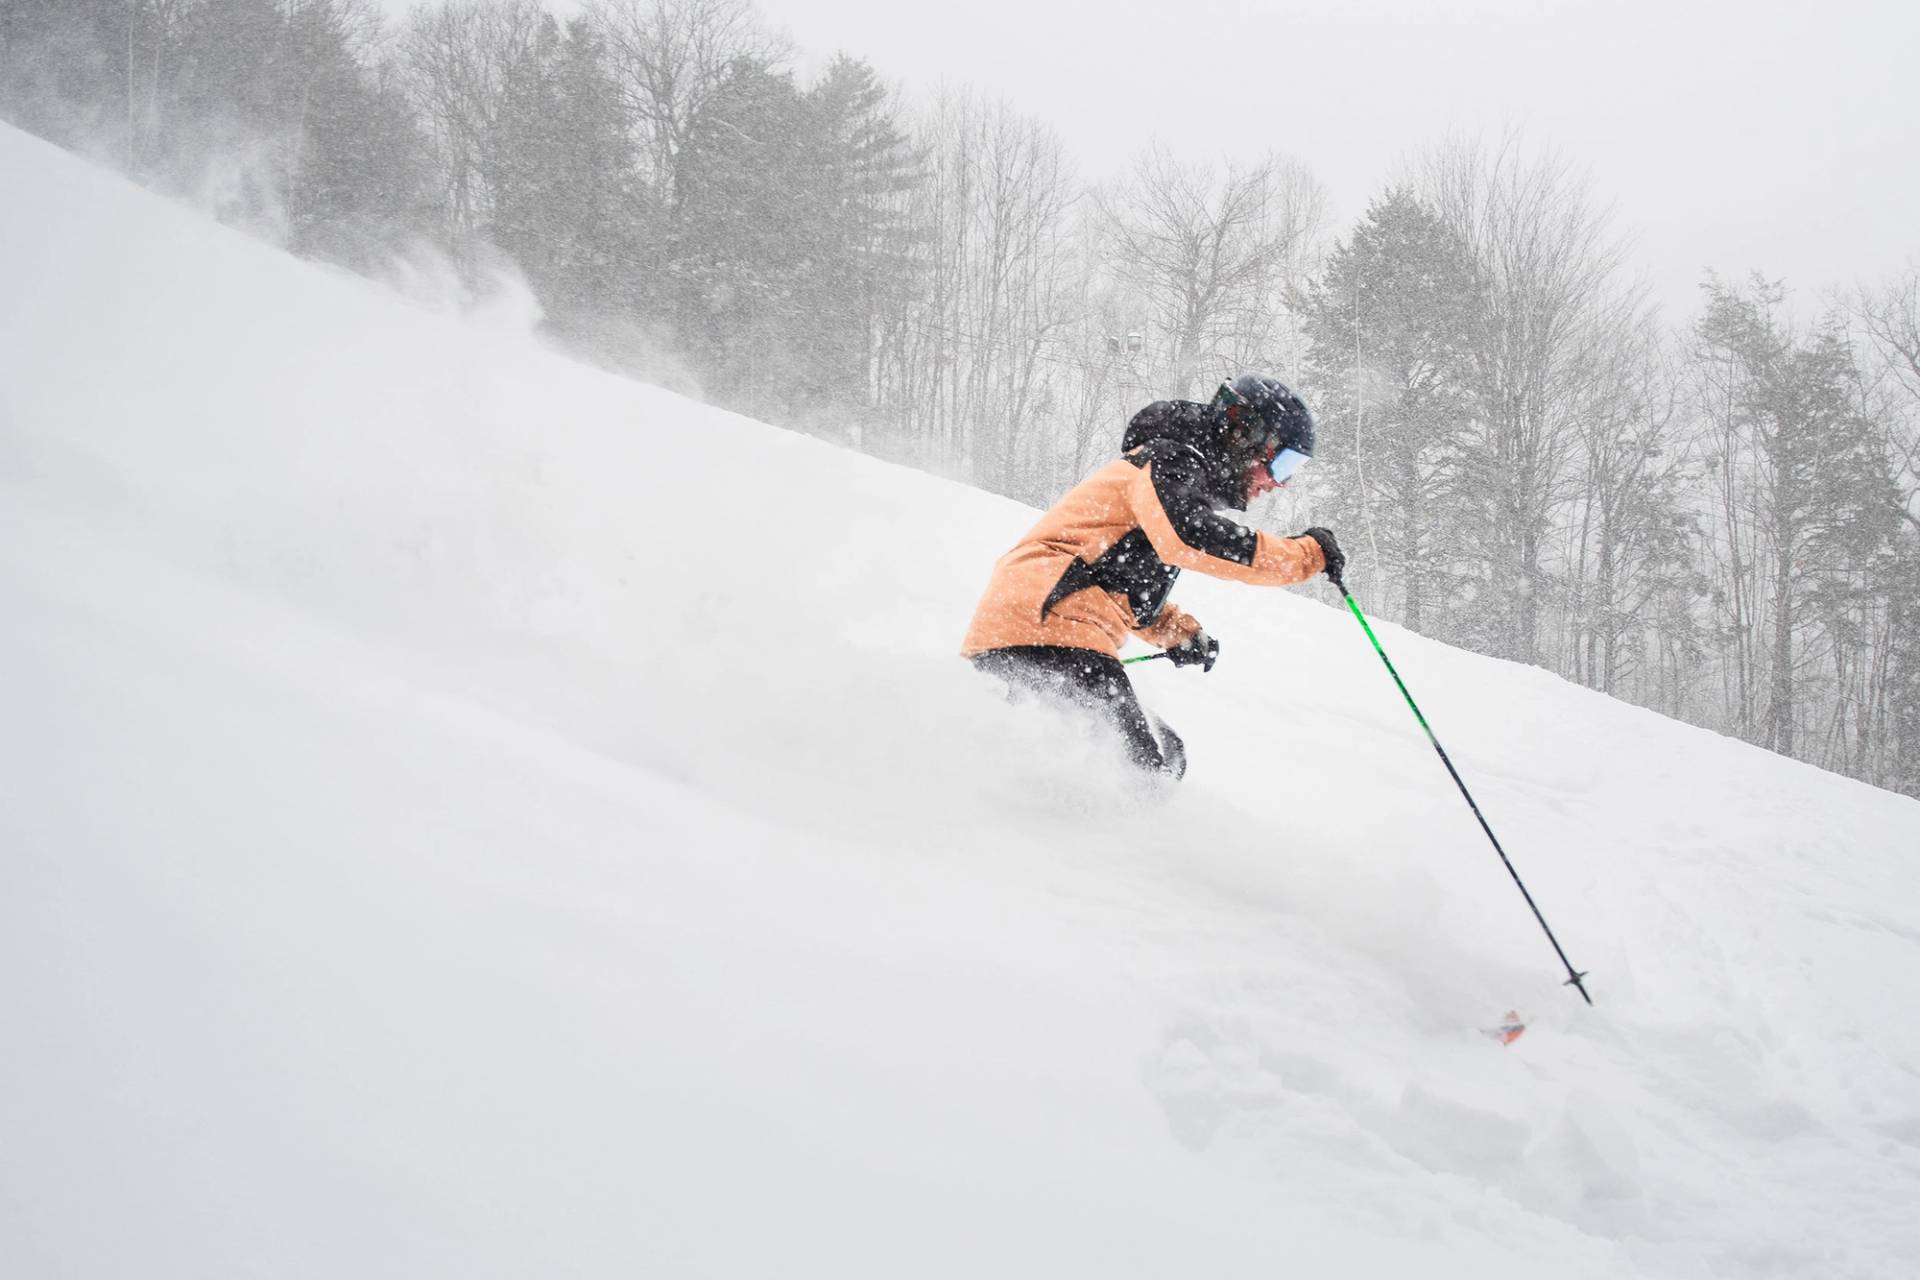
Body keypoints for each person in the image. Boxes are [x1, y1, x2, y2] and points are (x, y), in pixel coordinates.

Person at [962, 373, 1345, 779]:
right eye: (1283, 463)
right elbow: (1188, 536)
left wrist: (1177, 631)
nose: (1279, 484)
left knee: (1165, 755)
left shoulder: (1172, 475)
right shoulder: (1167, 460)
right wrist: (1306, 555)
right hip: (1046, 625)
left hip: (1040, 624)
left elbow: (1118, 580)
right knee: (1139, 773)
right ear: (1246, 436)